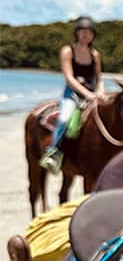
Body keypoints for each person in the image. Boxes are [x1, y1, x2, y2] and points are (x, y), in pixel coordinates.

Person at [39, 17, 105, 173]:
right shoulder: (68, 51)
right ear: (77, 33)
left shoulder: (95, 54)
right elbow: (69, 78)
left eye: (89, 32)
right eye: (82, 32)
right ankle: (53, 152)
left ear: (93, 35)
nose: (85, 35)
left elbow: (99, 78)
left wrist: (100, 92)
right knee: (65, 117)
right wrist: (87, 94)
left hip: (92, 93)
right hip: (72, 94)